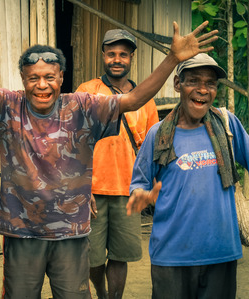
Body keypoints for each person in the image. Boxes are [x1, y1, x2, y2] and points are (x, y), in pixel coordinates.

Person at [0, 0, 218, 297]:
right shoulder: (5, 106)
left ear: (61, 78)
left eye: (49, 77)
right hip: (22, 234)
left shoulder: (82, 107)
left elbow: (133, 100)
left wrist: (171, 59)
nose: (42, 85)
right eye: (33, 78)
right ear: (23, 79)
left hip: (71, 235)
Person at [127, 53, 249, 299]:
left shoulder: (227, 124)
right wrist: (140, 195)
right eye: (193, 81)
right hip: (171, 254)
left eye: (210, 83)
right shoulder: (157, 134)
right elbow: (139, 183)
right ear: (177, 84)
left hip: (220, 251)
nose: (202, 90)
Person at [76, 29, 159, 299]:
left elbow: (150, 148)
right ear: (103, 56)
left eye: (123, 54)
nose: (117, 59)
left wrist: (147, 189)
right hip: (93, 190)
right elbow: (73, 141)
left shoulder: (146, 99)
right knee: (93, 257)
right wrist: (80, 185)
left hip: (129, 190)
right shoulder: (87, 91)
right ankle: (100, 291)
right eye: (111, 53)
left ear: (131, 58)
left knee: (121, 255)